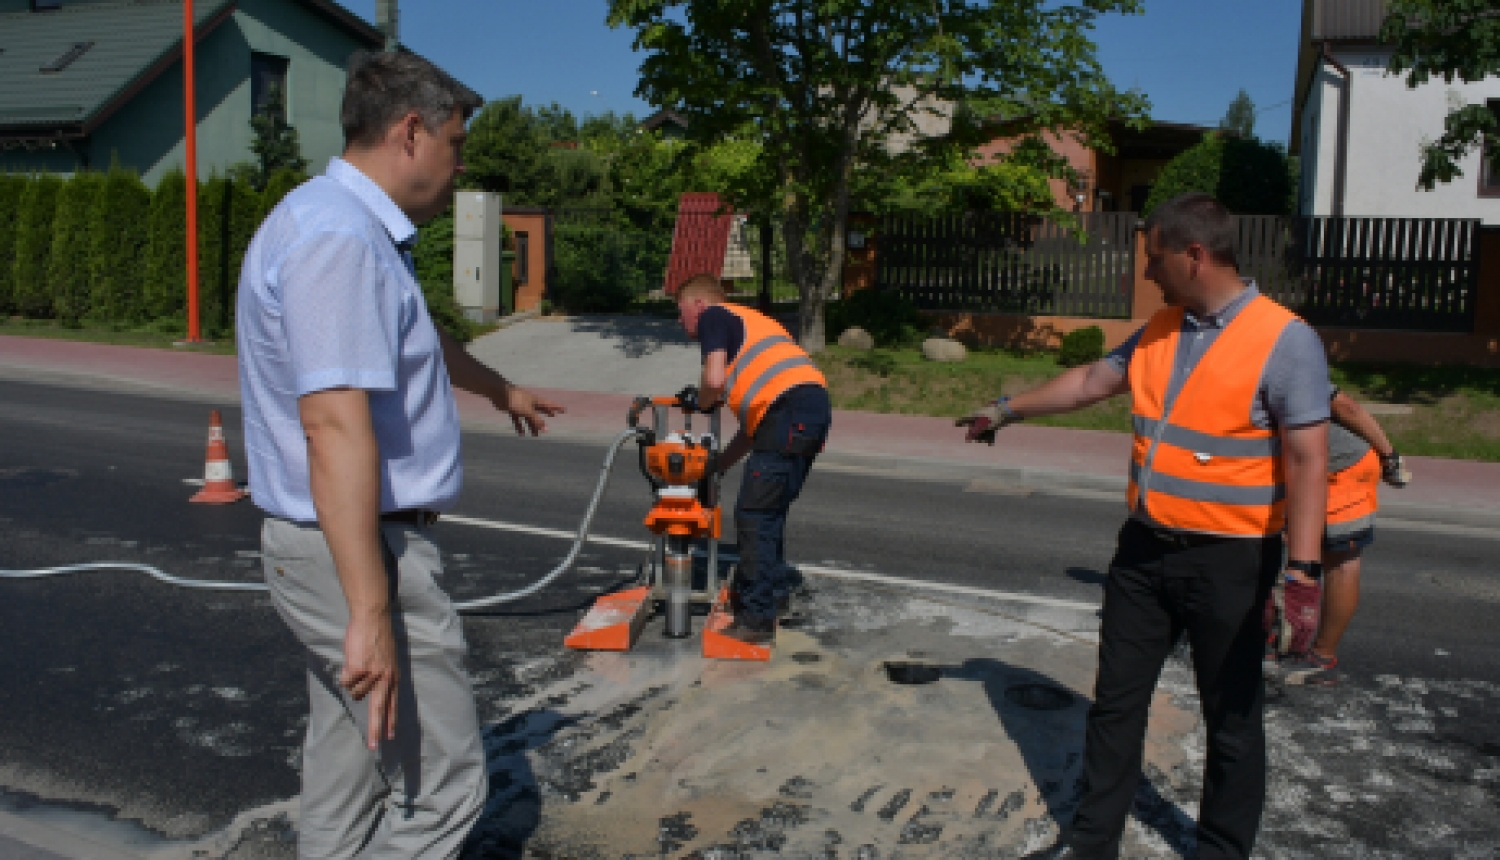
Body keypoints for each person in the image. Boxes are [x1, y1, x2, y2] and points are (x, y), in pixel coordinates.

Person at [237, 51, 562, 858]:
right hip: (357, 549)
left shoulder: (349, 230)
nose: (459, 169)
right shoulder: (338, 242)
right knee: (444, 787)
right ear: (410, 132)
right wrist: (372, 612)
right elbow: (335, 428)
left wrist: (499, 388)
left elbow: (413, 333)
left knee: (346, 775)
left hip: (336, 545)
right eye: (455, 144)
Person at [959, 193, 1330, 860]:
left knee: (1233, 722)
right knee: (1116, 706)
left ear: (1194, 255)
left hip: (1233, 561)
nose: (1147, 273)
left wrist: (1302, 573)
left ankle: (1220, 850)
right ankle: (1093, 844)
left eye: (1153, 258)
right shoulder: (1161, 328)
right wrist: (1006, 409)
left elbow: (1308, 458)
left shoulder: (1285, 339)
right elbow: (1087, 383)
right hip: (1143, 552)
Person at [675, 273, 831, 643]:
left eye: (680, 312)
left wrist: (699, 402)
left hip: (789, 413)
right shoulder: (756, 328)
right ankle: (774, 596)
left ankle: (756, 618)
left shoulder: (715, 316)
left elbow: (712, 382)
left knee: (754, 515)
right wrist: (716, 466)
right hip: (805, 413)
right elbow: (751, 432)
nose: (681, 323)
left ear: (698, 304)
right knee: (769, 512)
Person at [1270, 387, 1411, 685]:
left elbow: (1347, 408)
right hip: (1301, 467)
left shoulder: (1288, 354)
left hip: (1343, 468)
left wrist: (1389, 456)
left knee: (1340, 560)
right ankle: (1278, 638)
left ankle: (1322, 658)